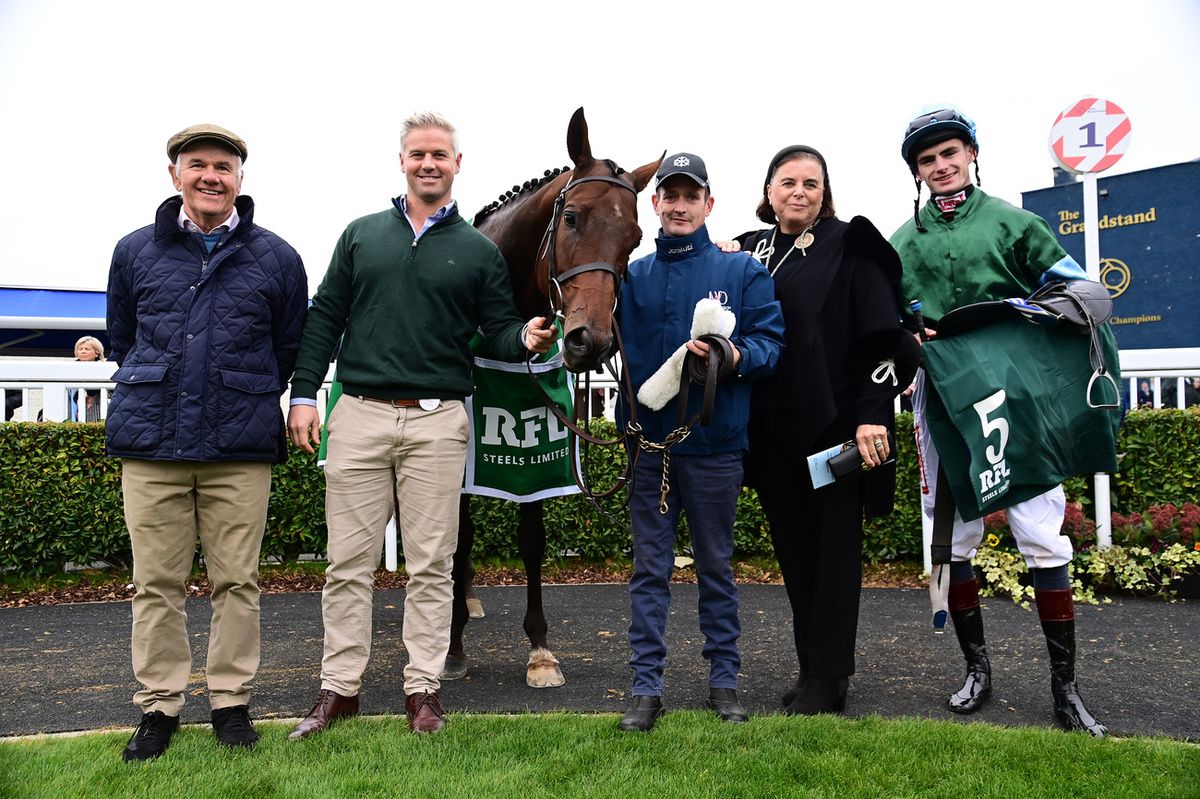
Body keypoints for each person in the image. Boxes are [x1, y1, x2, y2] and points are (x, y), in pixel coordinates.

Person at [285, 111, 557, 738]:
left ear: (457, 164)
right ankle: (340, 690)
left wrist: (528, 336)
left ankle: (423, 691)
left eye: (440, 154)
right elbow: (325, 316)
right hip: (357, 415)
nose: (429, 163)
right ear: (402, 161)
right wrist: (303, 396)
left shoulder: (479, 251)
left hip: (437, 423)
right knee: (346, 564)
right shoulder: (361, 235)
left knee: (431, 565)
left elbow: (499, 330)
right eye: (418, 154)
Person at [890, 104, 1107, 737]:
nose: (940, 167)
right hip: (942, 404)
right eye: (928, 160)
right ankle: (976, 671)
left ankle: (1065, 690)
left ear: (972, 155)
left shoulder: (1017, 223)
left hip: (1015, 403)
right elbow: (885, 318)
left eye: (949, 154)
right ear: (919, 171)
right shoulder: (902, 242)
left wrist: (1024, 316)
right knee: (951, 540)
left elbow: (1085, 295)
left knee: (1041, 534)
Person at [106, 124, 309, 761]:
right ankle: (160, 708)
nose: (210, 177)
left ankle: (230, 704)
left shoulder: (277, 257)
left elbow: (288, 349)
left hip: (238, 446)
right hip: (152, 444)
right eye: (198, 165)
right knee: (156, 584)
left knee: (237, 582)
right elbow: (121, 337)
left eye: (224, 167)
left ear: (240, 180)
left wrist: (241, 392)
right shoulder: (134, 251)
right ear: (175, 175)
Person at [724, 146, 917, 715]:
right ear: (769, 190)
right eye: (788, 182)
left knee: (834, 555)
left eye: (811, 183)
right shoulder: (750, 250)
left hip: (835, 429)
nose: (799, 192)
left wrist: (872, 414)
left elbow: (884, 337)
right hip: (771, 433)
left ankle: (830, 677)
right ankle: (812, 665)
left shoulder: (852, 246)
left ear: (824, 192)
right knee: (795, 553)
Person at [615, 152, 785, 731]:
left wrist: (731, 355)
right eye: (671, 195)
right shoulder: (630, 277)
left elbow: (771, 346)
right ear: (655, 204)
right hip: (651, 450)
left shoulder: (742, 272)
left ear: (709, 204)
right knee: (649, 570)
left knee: (716, 565)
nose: (681, 205)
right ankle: (645, 689)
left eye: (692, 196)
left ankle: (725, 683)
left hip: (715, 446)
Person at [71, 335, 106, 422]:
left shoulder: (103, 367)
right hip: (75, 404)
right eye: (80, 349)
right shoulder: (71, 367)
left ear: (97, 353)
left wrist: (89, 395)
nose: (83, 351)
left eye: (87, 349)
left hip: (97, 402)